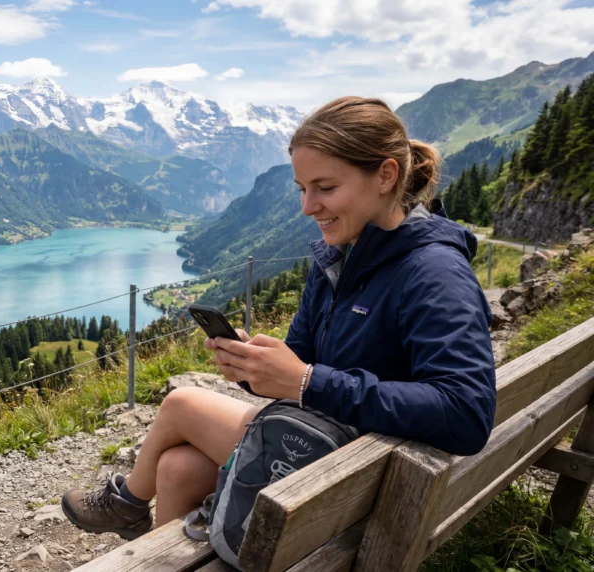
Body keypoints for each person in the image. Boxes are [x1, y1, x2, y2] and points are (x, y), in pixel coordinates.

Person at [60, 96, 498, 540]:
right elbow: (302, 363)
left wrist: (308, 382)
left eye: (325, 188)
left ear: (385, 176)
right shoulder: (337, 259)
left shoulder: (434, 272)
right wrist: (255, 369)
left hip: (357, 471)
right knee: (175, 468)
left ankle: (125, 505)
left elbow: (466, 414)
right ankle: (142, 523)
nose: (308, 207)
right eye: (301, 189)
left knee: (181, 403)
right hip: (340, 452)